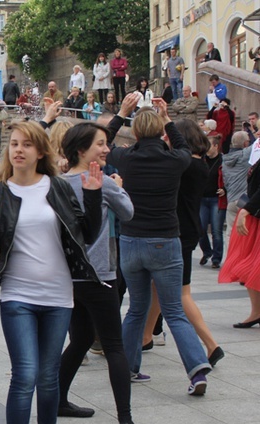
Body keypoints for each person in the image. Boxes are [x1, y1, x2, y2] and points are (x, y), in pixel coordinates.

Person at [0, 121, 104, 424]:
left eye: (26, 145)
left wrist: (94, 196)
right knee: (24, 374)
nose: (18, 150)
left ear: (41, 152)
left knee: (48, 375)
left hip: (58, 296)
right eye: (14, 144)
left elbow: (87, 236)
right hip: (17, 295)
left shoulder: (58, 188)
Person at [106, 94, 212, 394]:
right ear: (160, 131)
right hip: (166, 241)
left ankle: (127, 367)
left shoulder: (125, 158)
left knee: (137, 309)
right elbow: (184, 146)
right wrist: (167, 118)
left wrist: (122, 113)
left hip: (131, 240)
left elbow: (103, 143)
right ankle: (196, 368)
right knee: (174, 310)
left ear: (136, 132)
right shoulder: (175, 160)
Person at [56, 122, 137, 424]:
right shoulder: (102, 182)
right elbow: (128, 213)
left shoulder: (56, 184)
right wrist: (118, 185)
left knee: (79, 340)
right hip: (100, 275)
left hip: (68, 278)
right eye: (100, 144)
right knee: (114, 347)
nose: (106, 149)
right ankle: (125, 420)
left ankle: (59, 401)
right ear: (81, 150)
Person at [219, 153, 260, 328]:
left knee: (252, 265)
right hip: (255, 215)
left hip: (254, 213)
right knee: (248, 264)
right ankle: (256, 311)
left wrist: (246, 210)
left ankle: (256, 312)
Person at [198, 134, 225, 269]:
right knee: (201, 229)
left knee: (216, 230)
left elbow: (229, 177)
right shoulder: (202, 160)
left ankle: (216, 258)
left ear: (215, 146)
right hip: (202, 199)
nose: (206, 148)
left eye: (209, 146)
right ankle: (207, 252)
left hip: (216, 199)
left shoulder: (222, 160)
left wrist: (224, 189)